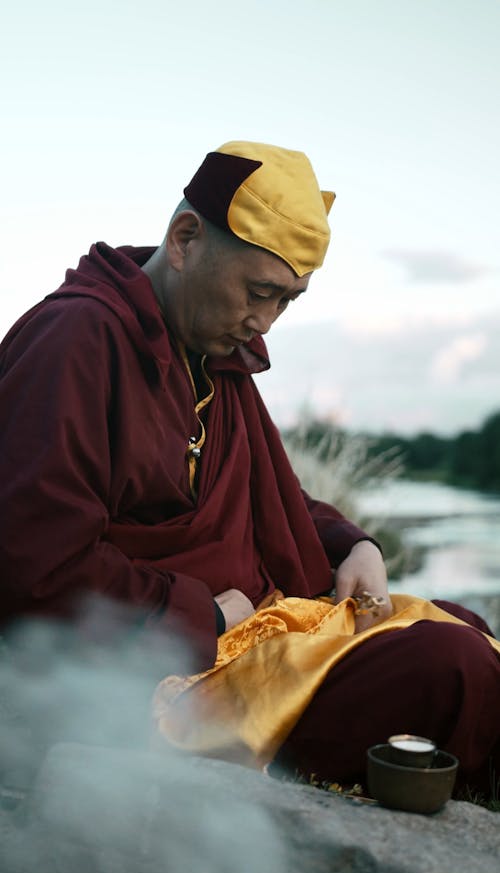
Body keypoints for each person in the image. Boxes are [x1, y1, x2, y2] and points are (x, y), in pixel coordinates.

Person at [1, 140, 499, 795]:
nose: (265, 321)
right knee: (451, 667)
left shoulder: (215, 354)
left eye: (288, 300)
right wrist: (196, 613)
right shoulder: (76, 342)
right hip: (162, 684)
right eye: (259, 291)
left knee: (461, 624)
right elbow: (32, 562)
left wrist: (354, 544)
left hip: (249, 637)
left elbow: (271, 497)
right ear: (184, 240)